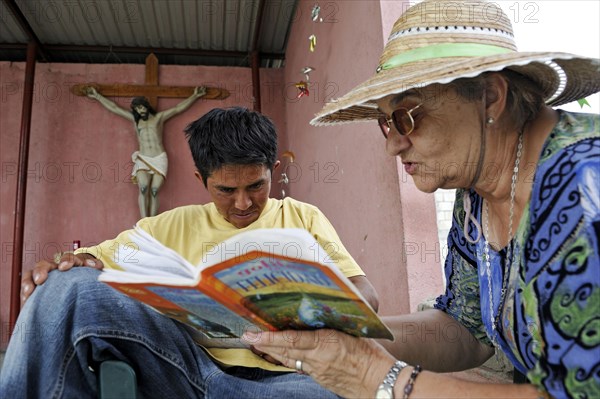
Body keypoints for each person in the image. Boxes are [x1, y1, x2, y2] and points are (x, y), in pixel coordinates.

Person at [243, 1, 600, 398]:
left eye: (406, 117)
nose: (392, 146)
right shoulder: (475, 198)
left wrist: (373, 376)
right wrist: (343, 331)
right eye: (385, 124)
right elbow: (465, 329)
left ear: (490, 98)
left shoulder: (584, 182)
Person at [0, 107, 379, 398]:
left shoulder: (302, 217)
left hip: (289, 380)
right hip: (185, 368)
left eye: (256, 186)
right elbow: (88, 267)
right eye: (226, 191)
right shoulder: (169, 226)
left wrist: (300, 321)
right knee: (67, 287)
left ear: (273, 171)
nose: (244, 203)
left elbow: (367, 296)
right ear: (201, 180)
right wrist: (63, 266)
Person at [85, 85, 206, 218]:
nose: (140, 110)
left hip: (159, 158)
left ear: (146, 106)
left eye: (142, 107)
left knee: (154, 190)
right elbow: (115, 108)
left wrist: (195, 96)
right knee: (143, 188)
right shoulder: (136, 121)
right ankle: (143, 222)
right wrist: (97, 96)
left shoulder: (159, 118)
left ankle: (151, 221)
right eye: (137, 109)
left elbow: (177, 109)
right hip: (143, 158)